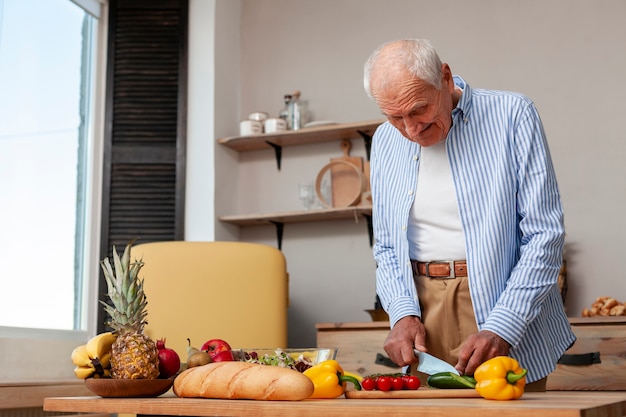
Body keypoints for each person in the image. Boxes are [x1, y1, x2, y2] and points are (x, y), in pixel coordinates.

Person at [363, 39, 575, 390]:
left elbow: (545, 234)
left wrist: (503, 326)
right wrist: (401, 313)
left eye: (419, 110)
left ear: (445, 78)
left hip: (504, 303)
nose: (411, 130)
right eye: (395, 117)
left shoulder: (512, 114)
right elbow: (386, 245)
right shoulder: (385, 140)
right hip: (422, 313)